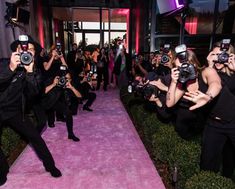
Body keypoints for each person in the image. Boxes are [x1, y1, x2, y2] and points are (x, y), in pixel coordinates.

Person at [0, 35, 62, 186]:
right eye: (23, 48)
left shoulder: (34, 72)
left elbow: (33, 93)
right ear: (16, 50)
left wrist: (29, 72)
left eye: (31, 50)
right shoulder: (3, 64)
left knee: (35, 137)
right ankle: (2, 169)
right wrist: (11, 68)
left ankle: (50, 166)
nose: (26, 51)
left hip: (15, 111)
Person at [166, 45, 222, 140]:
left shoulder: (206, 72)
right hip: (189, 128)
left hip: (210, 123)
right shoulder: (183, 82)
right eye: (179, 68)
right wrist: (174, 82)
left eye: (185, 66)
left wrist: (208, 96)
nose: (183, 71)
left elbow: (216, 84)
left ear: (194, 64)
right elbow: (169, 103)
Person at [205, 40, 235, 178]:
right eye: (214, 54)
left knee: (229, 160)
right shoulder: (209, 73)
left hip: (233, 124)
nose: (218, 58)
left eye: (221, 55)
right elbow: (213, 84)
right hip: (214, 124)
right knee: (208, 162)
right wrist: (209, 65)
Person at [42, 66, 81, 142]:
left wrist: (72, 88)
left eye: (68, 79)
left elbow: (80, 96)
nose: (65, 80)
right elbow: (42, 92)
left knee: (68, 113)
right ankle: (34, 137)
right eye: (64, 78)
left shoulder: (68, 85)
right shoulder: (53, 80)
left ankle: (71, 134)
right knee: (42, 122)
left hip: (55, 103)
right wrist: (53, 84)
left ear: (70, 80)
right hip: (44, 102)